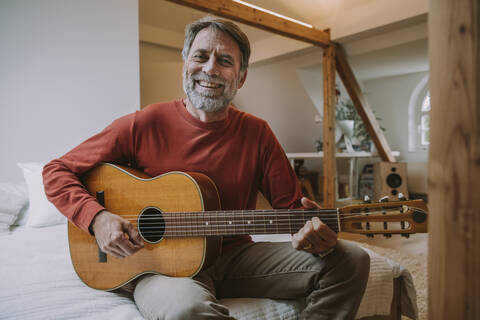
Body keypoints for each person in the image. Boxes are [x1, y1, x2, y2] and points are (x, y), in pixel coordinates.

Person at [43, 16, 370, 320]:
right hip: (159, 266)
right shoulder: (143, 123)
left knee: (352, 260)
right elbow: (56, 171)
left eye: (225, 61)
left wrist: (312, 232)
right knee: (188, 308)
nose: (210, 69)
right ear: (185, 63)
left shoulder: (257, 133)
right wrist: (96, 218)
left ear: (241, 77)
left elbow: (291, 210)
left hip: (235, 259)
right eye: (200, 56)